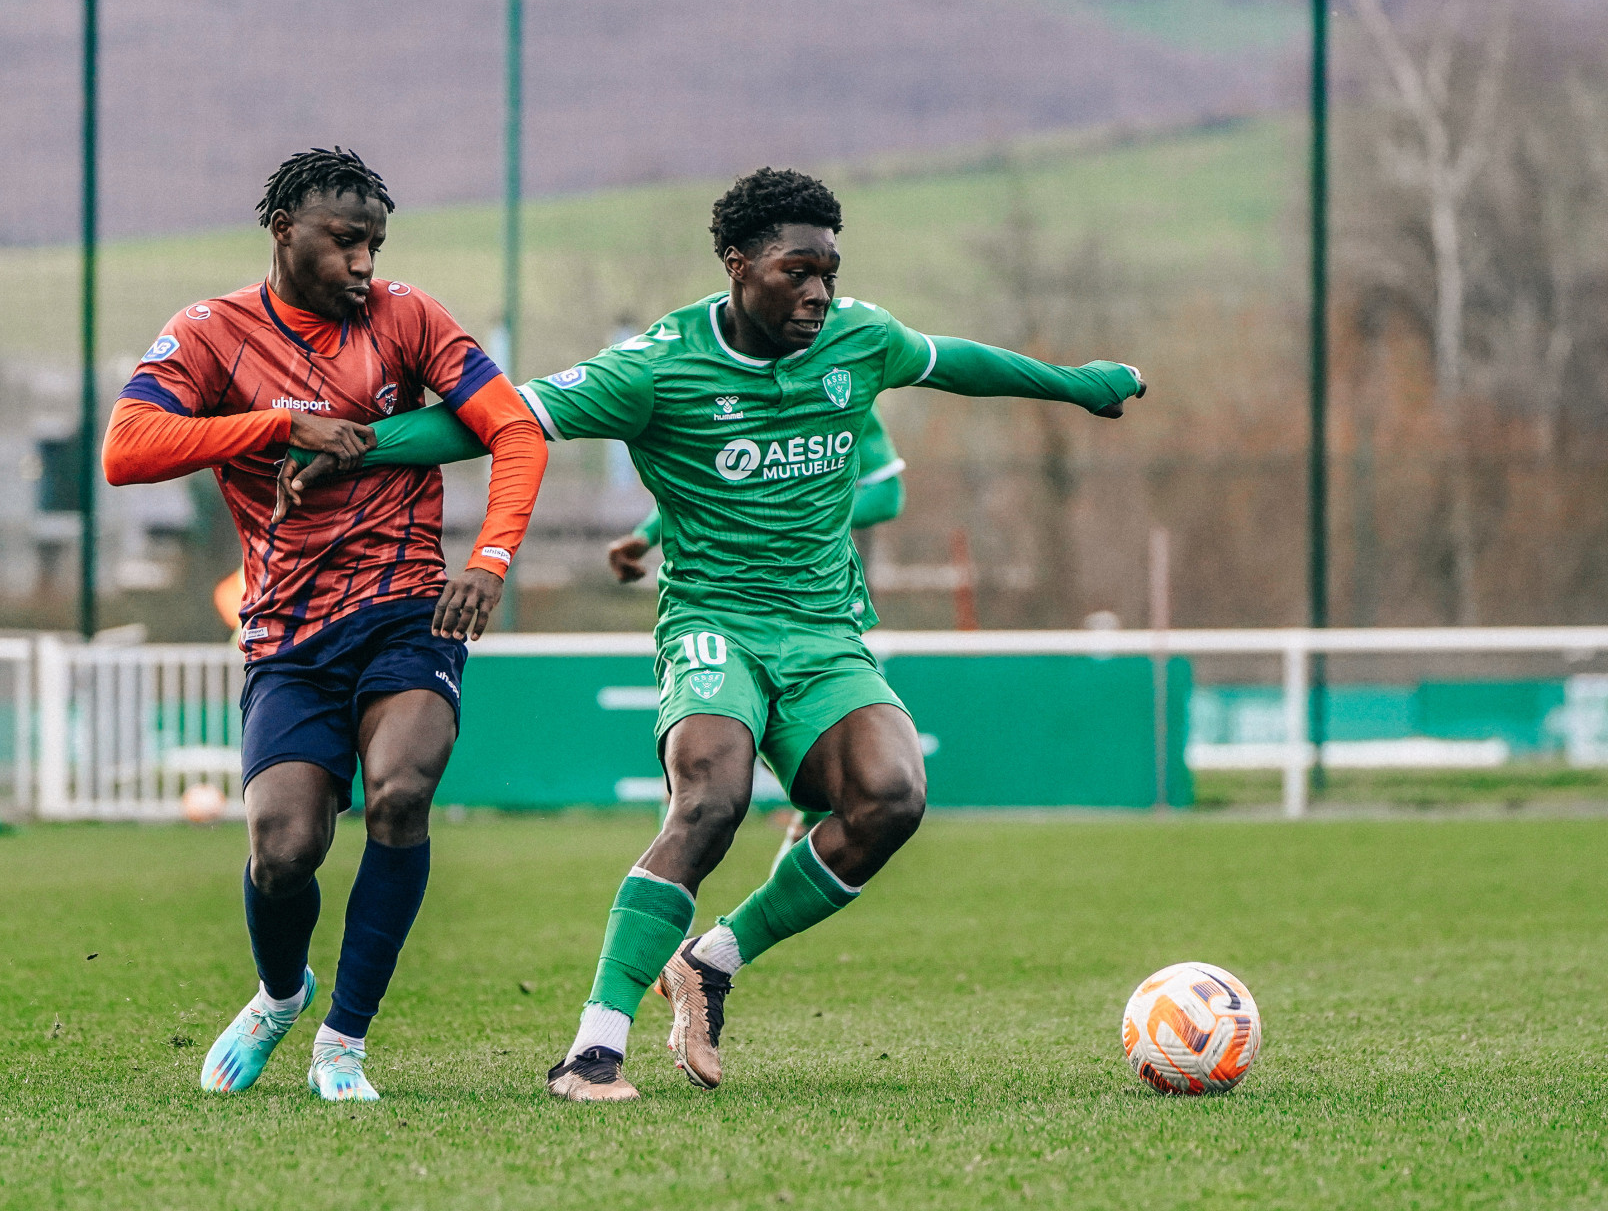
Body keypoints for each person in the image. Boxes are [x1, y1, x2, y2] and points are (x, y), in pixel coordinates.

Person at [284, 167, 1142, 1101]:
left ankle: (713, 959)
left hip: (825, 633)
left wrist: (1077, 386)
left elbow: (958, 362)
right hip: (714, 626)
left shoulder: (860, 338)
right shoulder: (656, 368)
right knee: (712, 798)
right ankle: (593, 1047)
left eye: (830, 270)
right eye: (796, 270)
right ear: (738, 264)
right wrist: (354, 448)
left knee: (890, 798)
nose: (818, 291)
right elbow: (498, 419)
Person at [101, 147, 546, 1102]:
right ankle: (278, 994)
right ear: (284, 233)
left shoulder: (409, 318)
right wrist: (275, 424)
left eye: (374, 245)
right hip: (287, 636)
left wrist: (488, 561)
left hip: (407, 612)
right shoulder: (212, 334)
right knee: (283, 848)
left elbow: (514, 429)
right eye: (344, 241)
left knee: (399, 793)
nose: (362, 265)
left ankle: (342, 1041)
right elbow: (125, 451)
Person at [605, 407, 906, 869]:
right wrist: (645, 537)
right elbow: (714, 496)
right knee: (708, 765)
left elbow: (887, 495)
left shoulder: (841, 382)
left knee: (846, 738)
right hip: (724, 607)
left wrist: (800, 519)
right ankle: (676, 866)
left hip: (815, 602)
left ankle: (807, 816)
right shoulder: (714, 390)